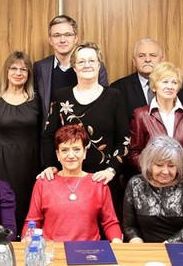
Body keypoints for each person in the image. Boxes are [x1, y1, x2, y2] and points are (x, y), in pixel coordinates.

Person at [41, 41, 129, 187]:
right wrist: (50, 166)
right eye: (81, 61)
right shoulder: (61, 96)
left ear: (99, 65)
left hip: (103, 179)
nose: (87, 65)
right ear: (74, 66)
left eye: (92, 61)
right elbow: (48, 136)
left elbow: (124, 138)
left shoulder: (114, 96)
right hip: (67, 177)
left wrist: (111, 170)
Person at [25, 125, 122, 242]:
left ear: (84, 152)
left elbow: (110, 223)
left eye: (76, 149)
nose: (71, 155)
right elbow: (33, 221)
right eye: (64, 150)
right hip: (53, 249)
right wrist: (27, 239)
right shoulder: (44, 182)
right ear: (58, 155)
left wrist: (117, 241)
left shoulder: (98, 183)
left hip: (88, 250)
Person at [0, 51, 41, 236]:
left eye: (23, 69)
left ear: (29, 74)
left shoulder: (37, 99)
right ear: (6, 72)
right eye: (13, 68)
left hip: (30, 164)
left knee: (28, 208)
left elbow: (43, 135)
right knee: (3, 208)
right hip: (0, 164)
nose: (18, 73)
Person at [123, 136, 183, 243]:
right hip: (149, 249)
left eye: (171, 166)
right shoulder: (136, 183)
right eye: (159, 165)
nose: (165, 171)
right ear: (149, 164)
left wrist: (169, 243)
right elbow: (129, 226)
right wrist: (136, 239)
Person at [34, 15, 108, 130]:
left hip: (86, 133)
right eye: (56, 35)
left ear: (76, 38)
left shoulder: (93, 67)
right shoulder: (40, 68)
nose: (62, 40)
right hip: (52, 135)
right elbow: (37, 108)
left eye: (68, 35)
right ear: (50, 40)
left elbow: (104, 102)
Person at [127, 62, 183, 173]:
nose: (170, 86)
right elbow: (133, 154)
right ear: (154, 87)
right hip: (151, 177)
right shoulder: (141, 115)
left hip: (182, 176)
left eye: (174, 82)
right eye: (165, 82)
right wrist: (155, 167)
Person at [111, 38, 183, 121]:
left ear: (162, 60)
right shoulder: (119, 88)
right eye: (141, 56)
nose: (147, 60)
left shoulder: (182, 85)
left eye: (153, 55)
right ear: (134, 61)